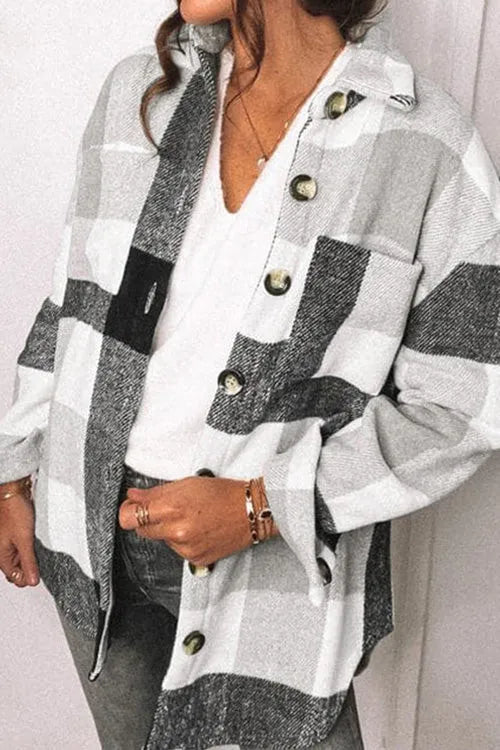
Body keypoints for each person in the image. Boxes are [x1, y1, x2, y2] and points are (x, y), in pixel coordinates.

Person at [2, 0, 500, 748]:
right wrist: (13, 472)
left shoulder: (423, 144)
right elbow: (73, 301)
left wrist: (260, 506)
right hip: (87, 530)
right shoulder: (142, 90)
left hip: (273, 575)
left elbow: (463, 403)